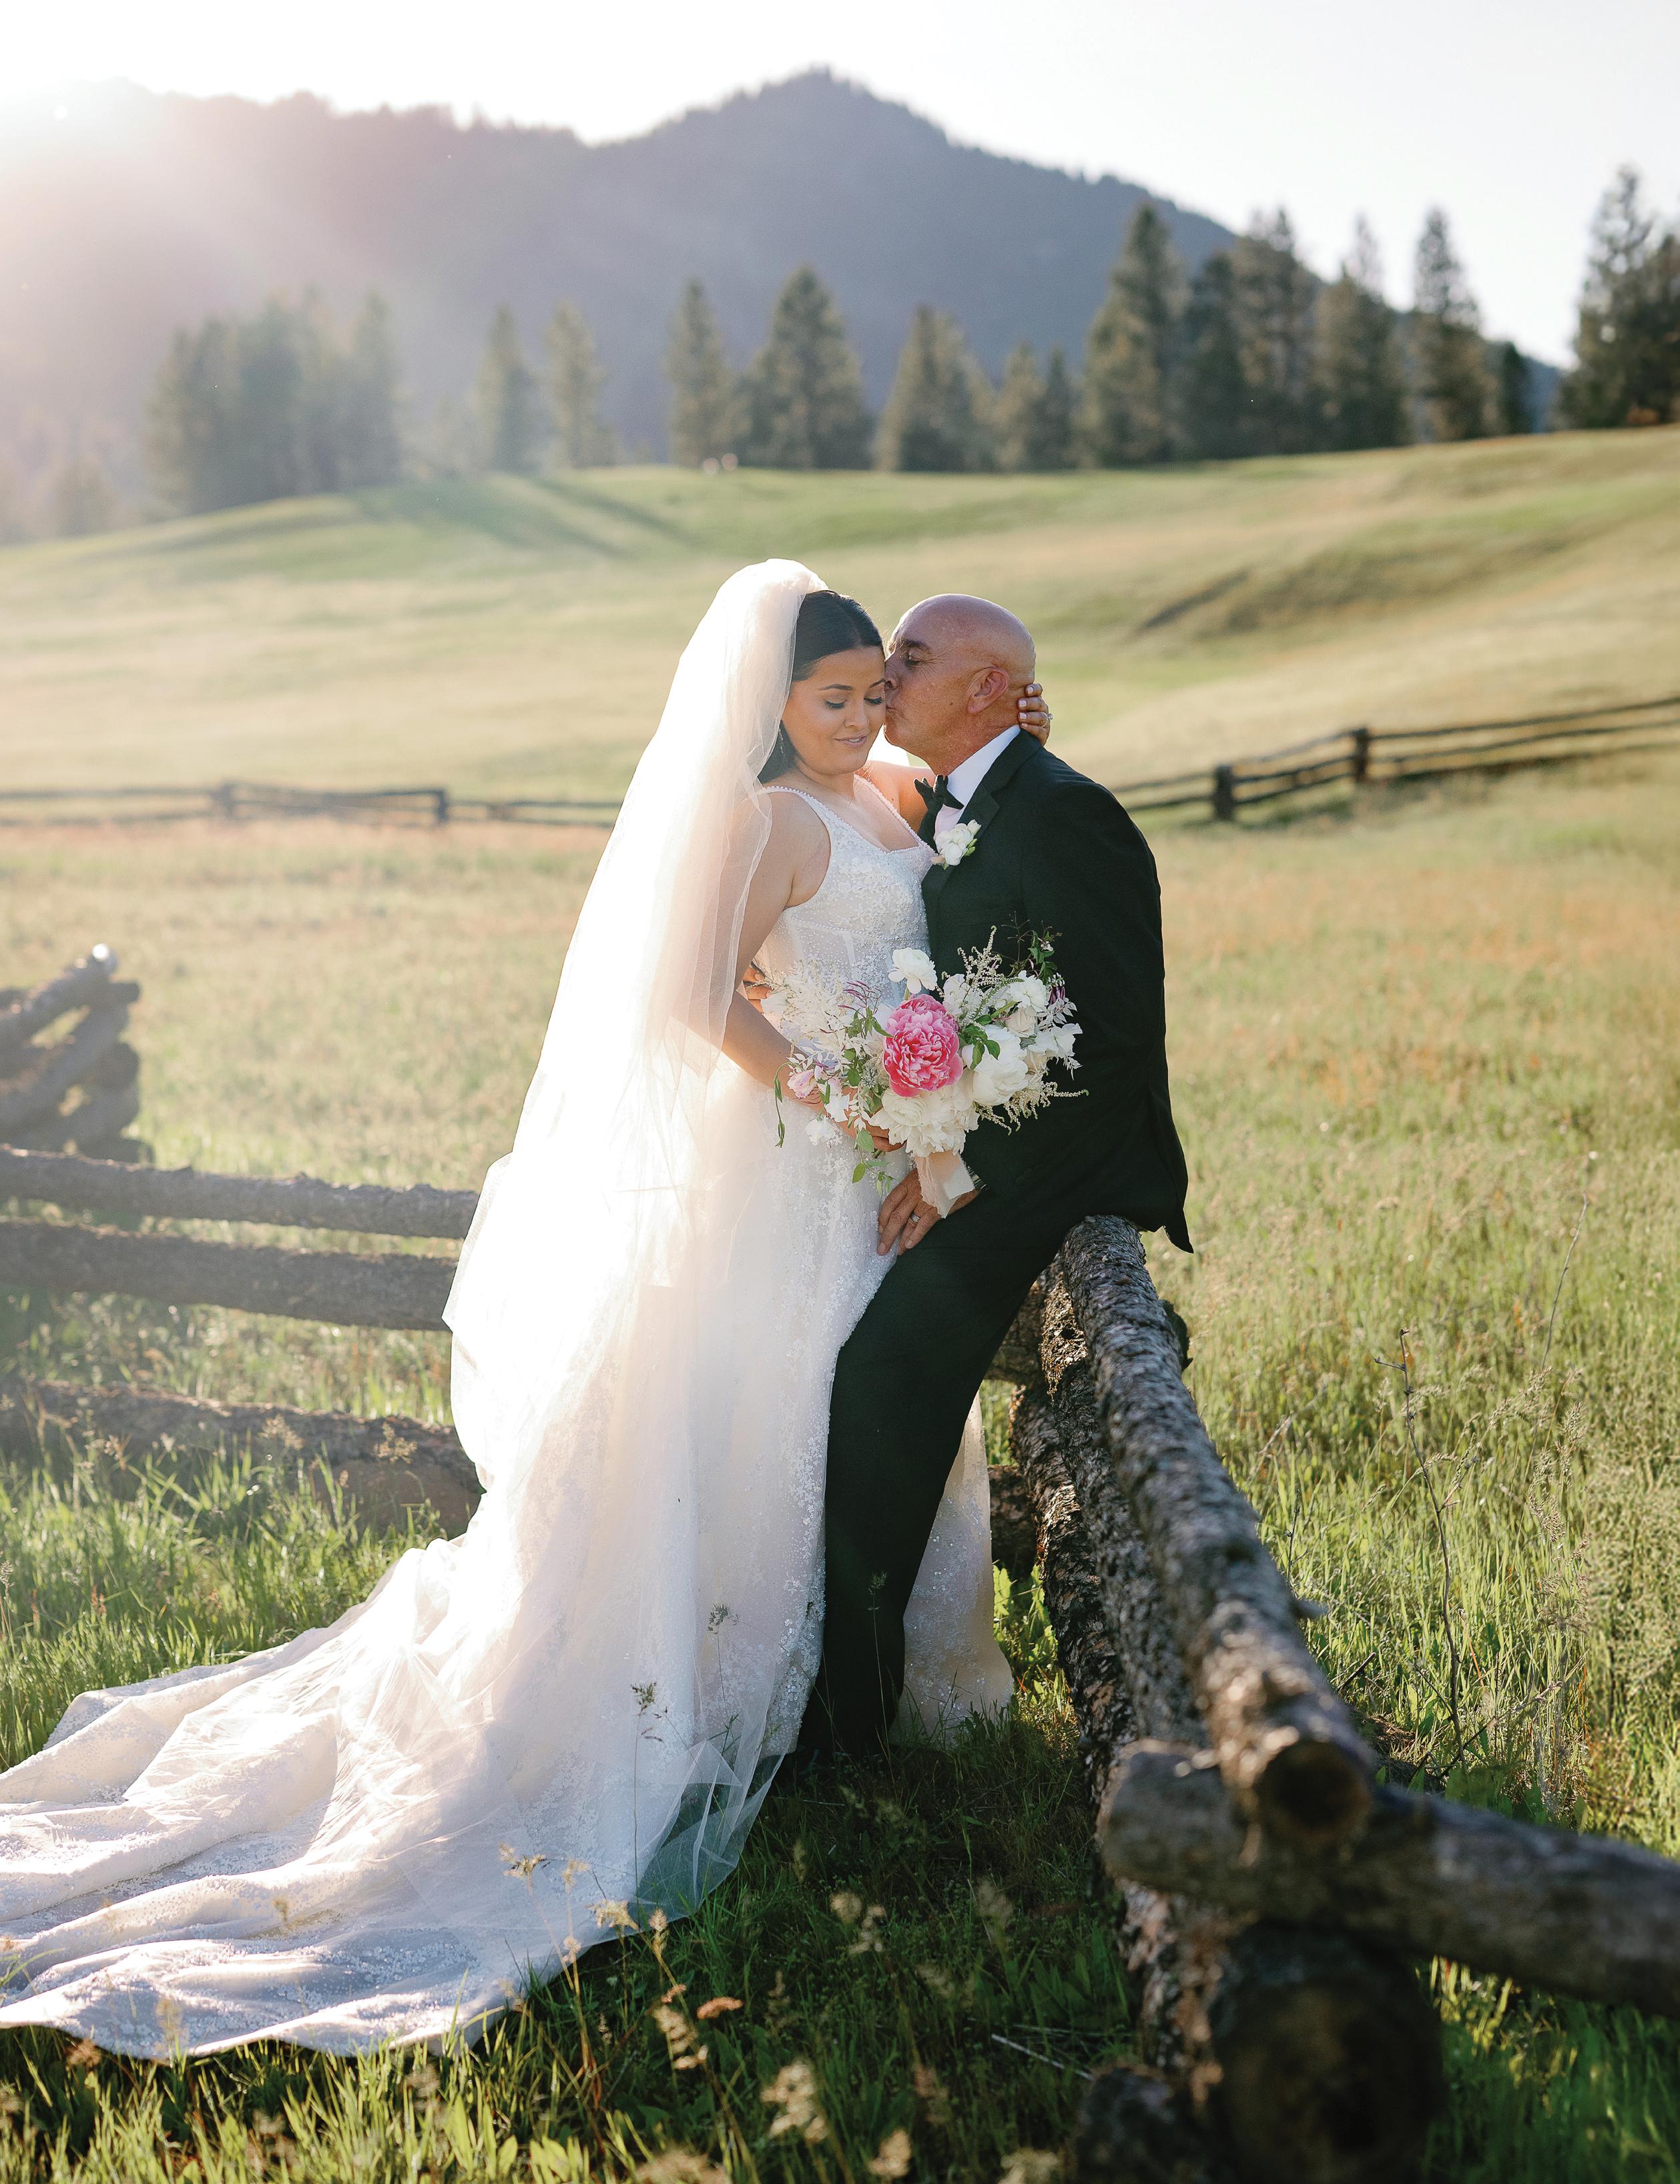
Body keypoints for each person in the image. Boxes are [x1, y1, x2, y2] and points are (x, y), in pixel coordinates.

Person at [0, 564, 1045, 2057]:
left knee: (871, 1414)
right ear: (767, 705)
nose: (856, 717)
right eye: (828, 699)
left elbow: (968, 822)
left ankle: (884, 1694)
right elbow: (697, 999)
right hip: (791, 1169)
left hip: (873, 1170)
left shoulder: (884, 790)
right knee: (776, 1414)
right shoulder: (768, 820)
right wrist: (849, 1095)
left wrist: (1010, 748)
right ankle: (727, 1696)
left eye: (871, 692)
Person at [801, 593, 1191, 1765]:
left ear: (982, 688)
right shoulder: (958, 795)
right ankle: (837, 1701)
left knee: (878, 1387)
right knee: (861, 1383)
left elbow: (1113, 1041)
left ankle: (848, 1732)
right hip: (973, 1147)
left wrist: (961, 1171)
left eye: (909, 661)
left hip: (1049, 1167)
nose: (884, 680)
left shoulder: (1067, 814)